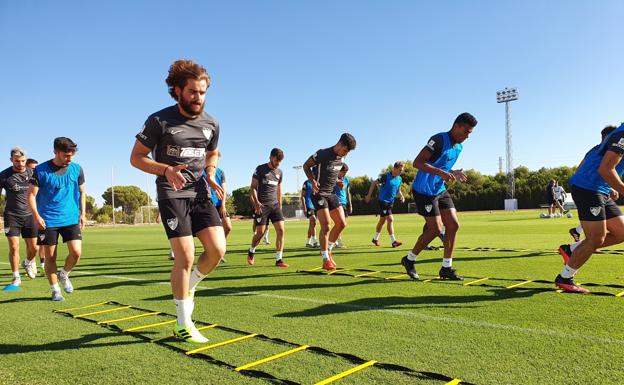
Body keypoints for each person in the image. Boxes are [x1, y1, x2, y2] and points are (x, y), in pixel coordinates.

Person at [130, 59, 225, 343]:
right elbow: (136, 158)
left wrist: (210, 172)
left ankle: (189, 285)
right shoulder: (159, 120)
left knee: (218, 250)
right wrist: (166, 170)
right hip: (171, 194)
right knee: (185, 255)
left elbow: (213, 152)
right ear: (178, 91)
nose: (199, 98)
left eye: (203, 92)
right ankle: (183, 323)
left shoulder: (212, 123)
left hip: (199, 193)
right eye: (193, 92)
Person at [401, 112, 477, 281]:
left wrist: (452, 172)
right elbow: (418, 162)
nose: (467, 137)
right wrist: (442, 172)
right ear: (456, 126)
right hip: (424, 191)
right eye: (466, 132)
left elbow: (441, 166)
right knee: (435, 229)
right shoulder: (439, 139)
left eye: (470, 134)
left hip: (439, 189)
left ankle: (446, 267)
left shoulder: (459, 147)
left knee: (453, 224)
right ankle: (409, 259)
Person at [556, 124, 624, 293]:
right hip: (588, 188)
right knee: (596, 238)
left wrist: (611, 186)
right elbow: (605, 169)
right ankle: (565, 277)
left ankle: (570, 249)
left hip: (600, 189)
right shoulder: (622, 135)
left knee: (621, 232)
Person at [27, 138, 85, 301]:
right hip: (47, 221)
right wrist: (36, 216)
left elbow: (82, 191)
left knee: (76, 252)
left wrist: (83, 213)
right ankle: (55, 290)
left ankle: (64, 274)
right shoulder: (40, 170)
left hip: (71, 218)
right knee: (50, 257)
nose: (70, 158)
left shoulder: (77, 169)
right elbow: (31, 195)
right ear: (55, 152)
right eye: (66, 155)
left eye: (72, 154)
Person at [303, 133, 357, 270]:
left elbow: (332, 173)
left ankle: (329, 249)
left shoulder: (343, 156)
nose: (346, 154)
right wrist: (312, 180)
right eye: (345, 150)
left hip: (331, 193)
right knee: (326, 225)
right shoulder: (322, 154)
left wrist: (338, 182)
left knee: (341, 223)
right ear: (339, 144)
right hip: (319, 193)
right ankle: (325, 259)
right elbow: (306, 166)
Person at [568, 125, 617, 242]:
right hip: (589, 189)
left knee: (602, 230)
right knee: (598, 234)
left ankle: (579, 236)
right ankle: (581, 244)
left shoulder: (595, 149)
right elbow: (585, 170)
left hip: (595, 189)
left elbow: (580, 169)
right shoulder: (604, 151)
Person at [1, 148, 39, 288]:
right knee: (14, 246)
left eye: (23, 161)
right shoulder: (4, 175)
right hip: (11, 216)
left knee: (34, 248)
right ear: (11, 160)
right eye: (17, 161)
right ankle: (15, 276)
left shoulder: (32, 173)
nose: (21, 163)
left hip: (30, 215)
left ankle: (28, 262)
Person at [247, 148, 288, 268]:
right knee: (260, 233)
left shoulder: (279, 172)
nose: (277, 164)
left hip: (275, 206)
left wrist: (280, 203)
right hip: (262, 206)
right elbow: (253, 187)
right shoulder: (260, 169)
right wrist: (256, 203)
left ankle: (279, 259)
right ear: (270, 157)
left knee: (281, 230)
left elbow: (279, 188)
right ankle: (251, 250)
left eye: (279, 162)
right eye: (276, 161)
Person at [365, 161, 406, 248]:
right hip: (383, 201)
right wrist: (369, 195)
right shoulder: (385, 176)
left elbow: (398, 190)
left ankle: (375, 239)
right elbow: (373, 183)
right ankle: (393, 241)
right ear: (394, 168)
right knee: (390, 219)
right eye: (400, 170)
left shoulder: (399, 179)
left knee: (382, 221)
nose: (401, 172)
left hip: (391, 202)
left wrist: (401, 196)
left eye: (402, 170)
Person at [25, 158, 44, 271]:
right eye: (32, 168)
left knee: (43, 241)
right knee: (31, 244)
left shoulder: (40, 180)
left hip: (41, 214)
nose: (34, 171)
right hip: (27, 215)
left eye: (35, 168)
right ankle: (31, 263)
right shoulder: (24, 182)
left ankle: (42, 264)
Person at [334, 164, 351, 248]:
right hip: (336, 202)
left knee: (343, 224)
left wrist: (350, 204)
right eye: (343, 172)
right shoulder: (334, 179)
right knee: (339, 223)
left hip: (344, 203)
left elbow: (348, 192)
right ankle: (337, 241)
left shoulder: (347, 179)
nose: (344, 173)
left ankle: (335, 239)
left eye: (346, 172)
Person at [300, 173, 319, 248]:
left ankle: (308, 242)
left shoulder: (319, 182)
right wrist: (304, 207)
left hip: (316, 206)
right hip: (309, 205)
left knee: (312, 224)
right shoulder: (306, 183)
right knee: (313, 220)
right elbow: (302, 196)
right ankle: (315, 242)